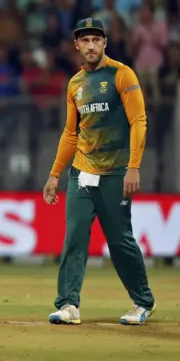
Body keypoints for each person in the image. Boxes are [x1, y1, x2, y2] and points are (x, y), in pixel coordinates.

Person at [43, 18, 156, 326]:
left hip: (116, 173)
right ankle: (68, 304)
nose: (91, 45)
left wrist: (133, 167)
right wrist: (55, 174)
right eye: (85, 40)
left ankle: (143, 302)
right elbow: (70, 134)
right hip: (81, 173)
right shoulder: (75, 84)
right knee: (74, 238)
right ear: (76, 46)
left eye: (96, 39)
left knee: (119, 241)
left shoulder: (122, 74)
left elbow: (139, 121)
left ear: (105, 43)